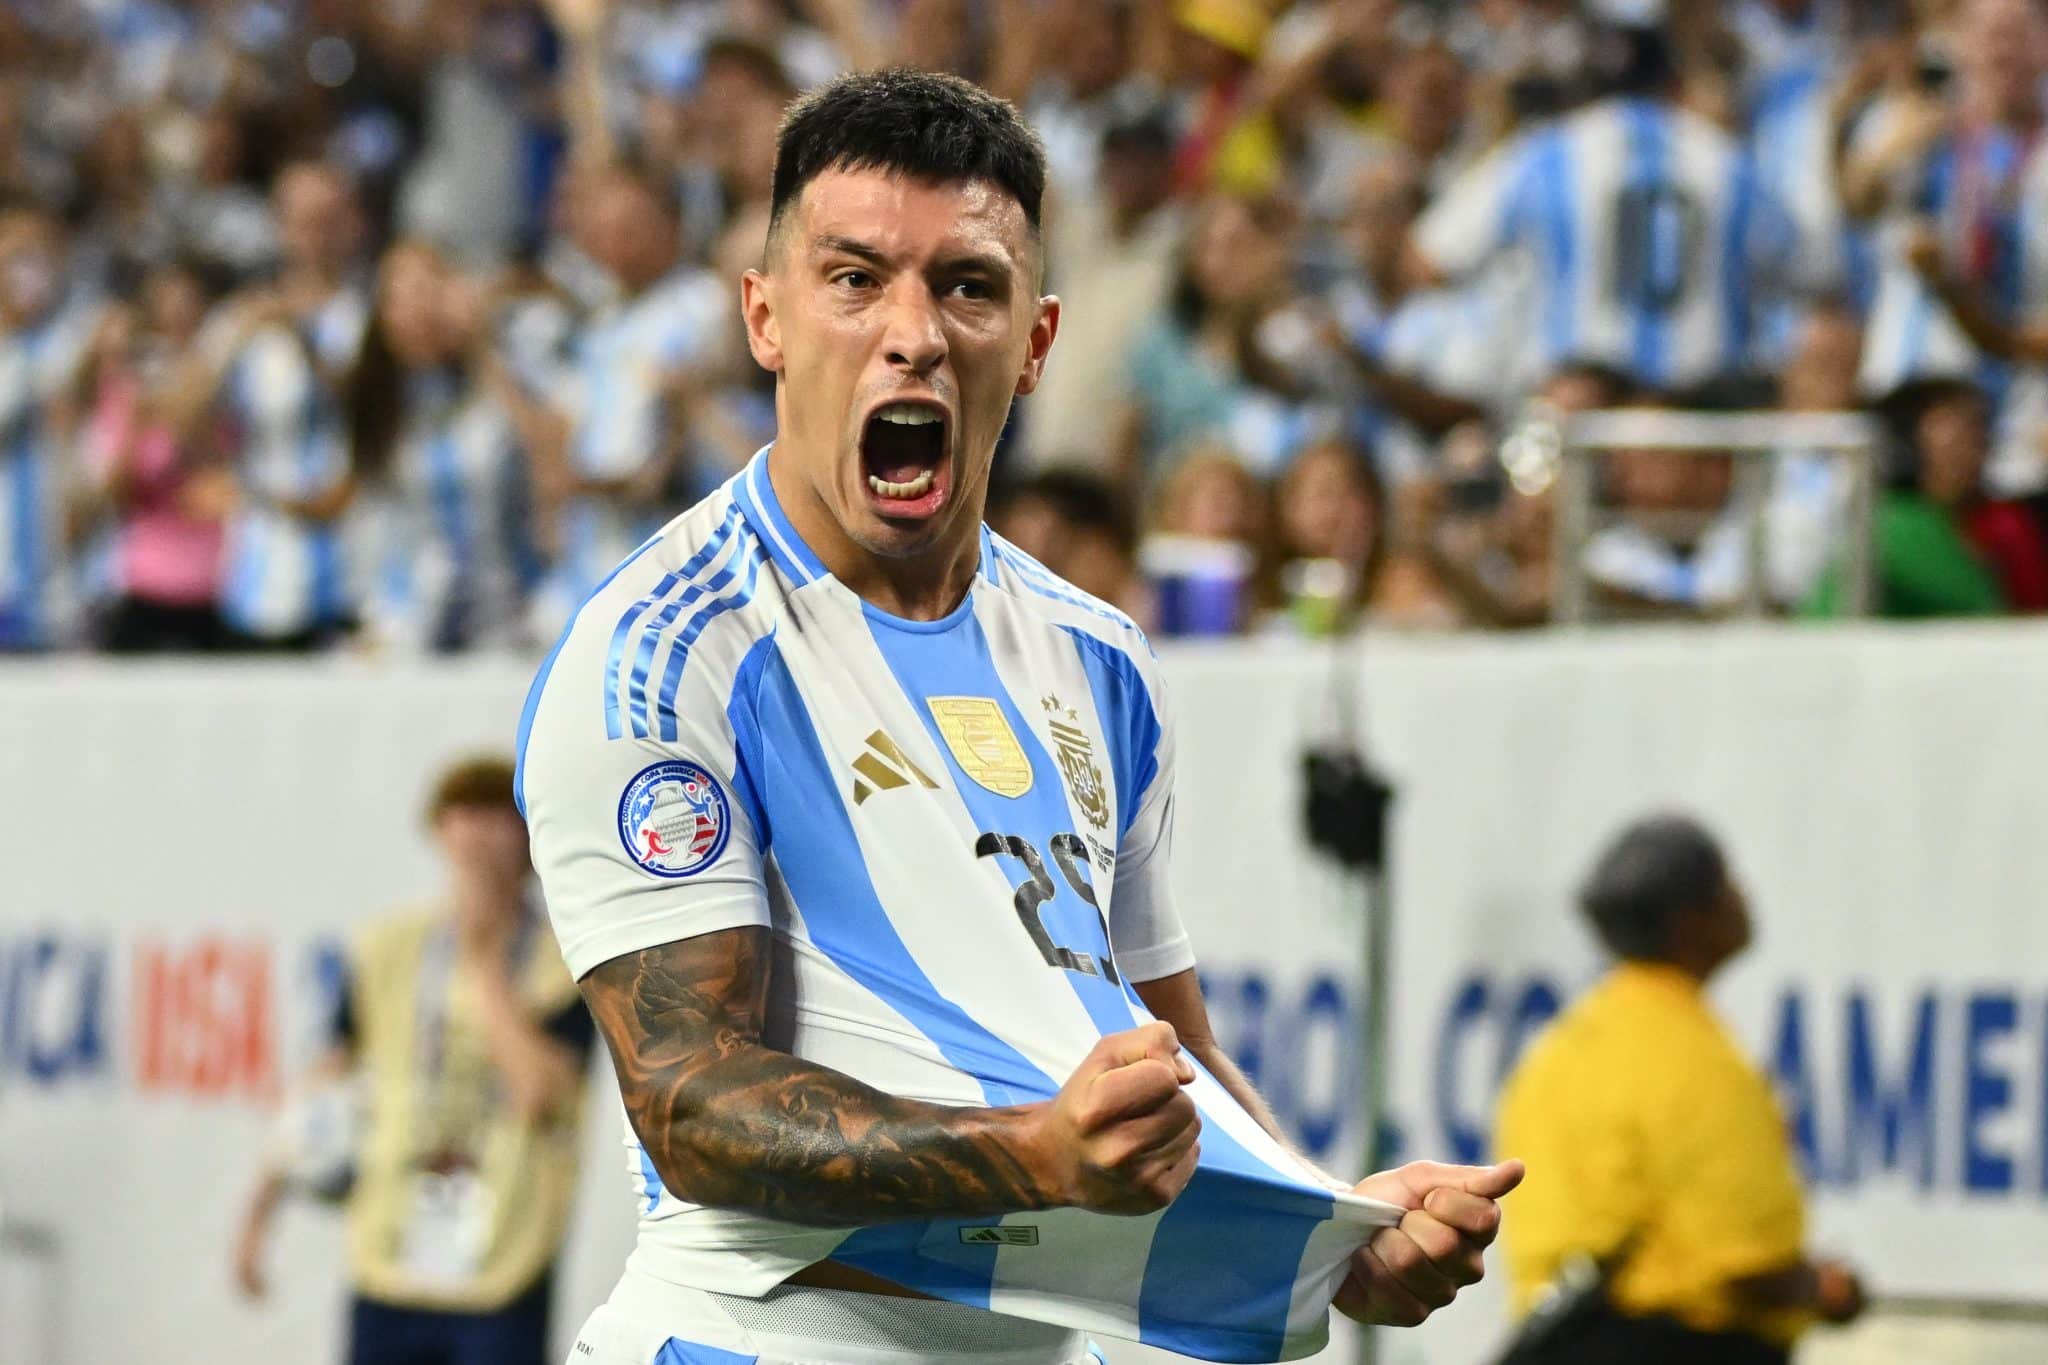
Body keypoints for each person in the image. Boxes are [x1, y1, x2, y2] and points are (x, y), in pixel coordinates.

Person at [519, 68, 1520, 1365]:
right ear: (765, 316)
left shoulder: (1099, 657)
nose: (913, 333)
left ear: (1036, 342)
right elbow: (690, 1104)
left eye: (967, 286)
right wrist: (1032, 1154)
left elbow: (1163, 1052)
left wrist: (1326, 1235)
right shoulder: (665, 650)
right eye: (854, 279)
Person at [232, 756, 594, 1365]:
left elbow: (541, 1090)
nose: (478, 833)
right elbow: (322, 1086)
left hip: (502, 1264)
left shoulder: (564, 960)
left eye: (496, 815)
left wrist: (482, 962)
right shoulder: (387, 948)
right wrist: (259, 1212)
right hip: (389, 1254)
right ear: (438, 828)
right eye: (463, 813)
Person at [1493, 814, 1866, 1365]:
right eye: (1725, 883)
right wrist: (1827, 1290)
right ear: (1690, 921)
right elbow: (1745, 1261)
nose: (1742, 896)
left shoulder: (1560, 1052)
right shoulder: (1698, 1061)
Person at [1410, 20, 1800, 396]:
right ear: (1675, 85)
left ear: (1586, 89)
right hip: (1698, 414)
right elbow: (1803, 264)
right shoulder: (1723, 159)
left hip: (1581, 408)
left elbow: (1429, 259)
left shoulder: (1546, 154)